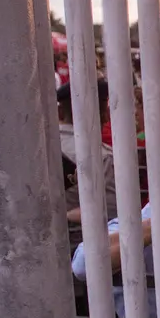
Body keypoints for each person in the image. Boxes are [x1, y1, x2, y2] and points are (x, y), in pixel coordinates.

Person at [58, 80, 118, 251]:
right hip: (88, 247)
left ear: (60, 112)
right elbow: (109, 209)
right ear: (105, 115)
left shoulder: (42, 147)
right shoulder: (102, 155)